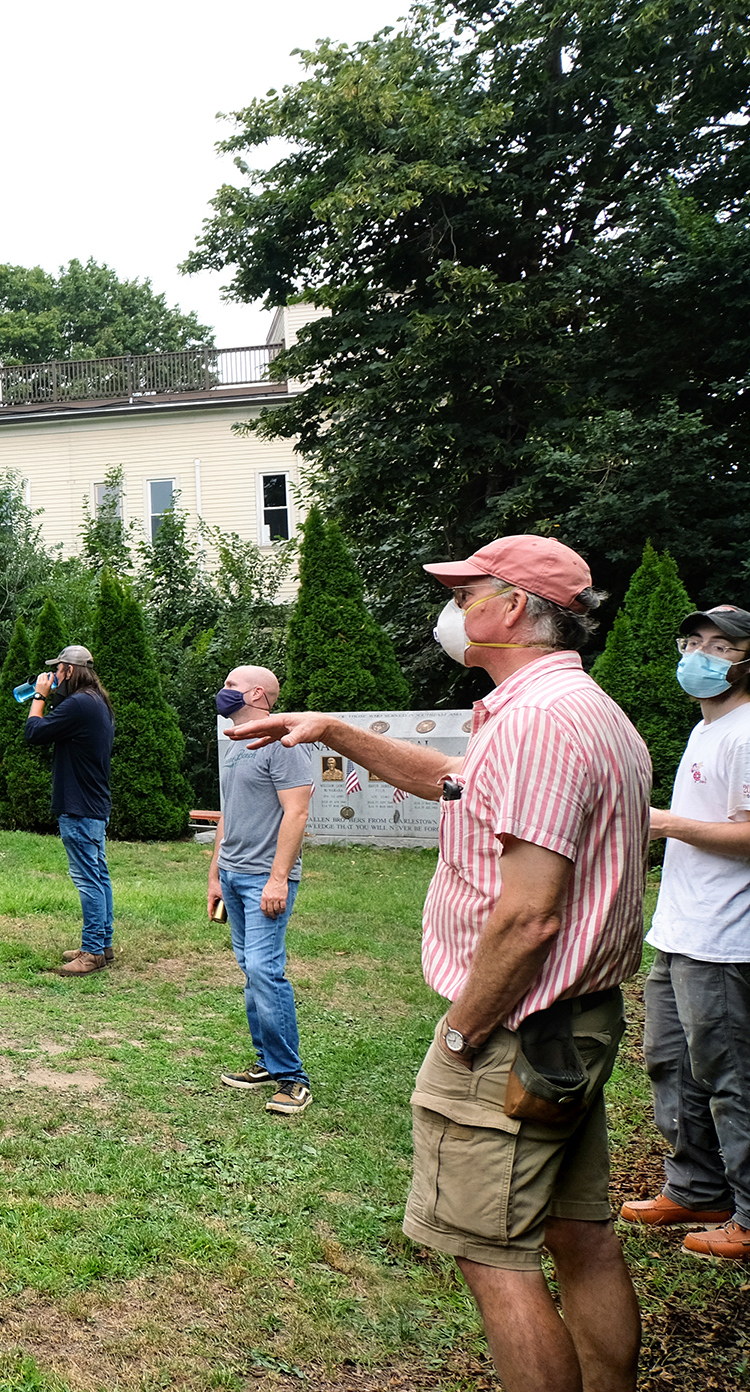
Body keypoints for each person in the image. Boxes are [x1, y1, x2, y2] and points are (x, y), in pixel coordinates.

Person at [228, 534, 647, 1392]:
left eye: (468, 592)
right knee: (580, 1236)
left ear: (518, 609)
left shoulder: (536, 723)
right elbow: (450, 782)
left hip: (514, 1033)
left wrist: (461, 1037)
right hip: (574, 1022)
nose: (454, 610)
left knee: (494, 1259)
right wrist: (339, 729)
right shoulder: (579, 711)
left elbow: (528, 917)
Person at [621, 603, 750, 1261]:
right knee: (671, 1063)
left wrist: (668, 825)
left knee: (729, 1074)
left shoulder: (747, 732)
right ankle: (696, 1188)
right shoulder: (708, 729)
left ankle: (749, 1215)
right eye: (693, 640)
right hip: (680, 931)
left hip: (727, 939)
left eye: (721, 646)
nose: (700, 654)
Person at [208, 664, 317, 1116]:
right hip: (233, 875)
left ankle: (293, 1079)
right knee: (251, 970)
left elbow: (297, 814)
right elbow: (229, 815)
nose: (223, 690)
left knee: (264, 971)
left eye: (231, 684)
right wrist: (215, 874)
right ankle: (267, 1063)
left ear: (256, 693)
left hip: (263, 879)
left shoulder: (282, 744)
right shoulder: (233, 744)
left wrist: (277, 878)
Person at [25, 644, 117, 976]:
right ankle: (101, 944)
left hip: (78, 807)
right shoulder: (97, 702)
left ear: (70, 671)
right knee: (99, 876)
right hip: (94, 803)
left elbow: (34, 732)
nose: (54, 676)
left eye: (58, 670)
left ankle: (92, 952)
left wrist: (39, 696)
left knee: (88, 879)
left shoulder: (79, 704)